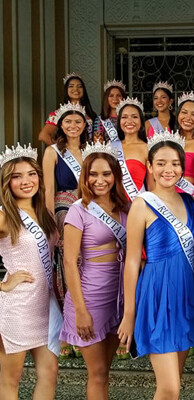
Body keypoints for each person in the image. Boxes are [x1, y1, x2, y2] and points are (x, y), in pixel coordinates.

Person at [118, 131, 194, 400]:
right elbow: (132, 261)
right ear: (150, 166)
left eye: (176, 163)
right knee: (169, 388)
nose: (169, 169)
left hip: (187, 294)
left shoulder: (190, 202)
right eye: (162, 163)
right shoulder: (141, 204)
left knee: (176, 382)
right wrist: (129, 313)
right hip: (157, 295)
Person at [59, 142, 129, 400]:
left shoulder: (125, 207)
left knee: (105, 372)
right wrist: (80, 310)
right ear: (85, 177)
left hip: (117, 297)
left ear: (115, 176)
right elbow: (69, 262)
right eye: (93, 174)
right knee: (97, 373)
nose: (100, 180)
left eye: (106, 174)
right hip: (89, 298)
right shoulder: (78, 210)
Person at [0, 143, 62, 400]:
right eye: (17, 176)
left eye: (31, 174)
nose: (26, 181)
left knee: (50, 373)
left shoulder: (43, 212)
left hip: (45, 305)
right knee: (10, 380)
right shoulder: (5, 216)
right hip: (17, 308)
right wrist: (3, 283)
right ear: (7, 182)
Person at [42, 102, 87, 358]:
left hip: (89, 212)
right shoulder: (52, 152)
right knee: (66, 268)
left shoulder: (91, 150)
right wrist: (50, 224)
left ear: (84, 124)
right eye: (68, 121)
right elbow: (49, 189)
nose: (73, 125)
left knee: (86, 267)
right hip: (63, 212)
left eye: (78, 121)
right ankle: (68, 330)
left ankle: (84, 326)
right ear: (60, 125)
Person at [38, 73, 97, 145]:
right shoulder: (58, 113)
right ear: (66, 89)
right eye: (71, 86)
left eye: (80, 86)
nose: (75, 89)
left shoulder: (89, 113)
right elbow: (43, 136)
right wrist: (60, 149)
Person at [112, 97, 148, 201]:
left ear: (141, 121)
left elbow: (151, 184)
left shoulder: (147, 148)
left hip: (137, 203)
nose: (129, 121)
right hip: (113, 203)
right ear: (119, 121)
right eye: (124, 117)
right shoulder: (111, 146)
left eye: (134, 117)